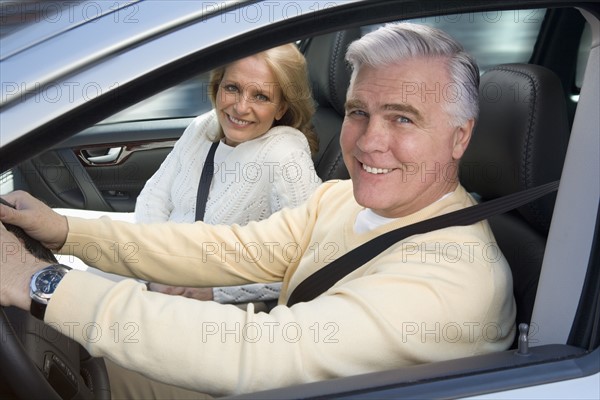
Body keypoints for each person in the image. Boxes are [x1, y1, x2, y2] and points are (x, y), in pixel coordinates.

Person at [0, 23, 515, 398]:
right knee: (72, 360)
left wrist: (42, 285)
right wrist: (64, 231)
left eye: (403, 119)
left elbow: (260, 353)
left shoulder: (454, 279)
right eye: (360, 112)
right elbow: (222, 248)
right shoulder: (341, 198)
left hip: (266, 374)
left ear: (459, 137)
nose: (369, 141)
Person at [134, 43, 321, 305]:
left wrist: (213, 291)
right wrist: (157, 268)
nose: (241, 108)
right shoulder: (203, 127)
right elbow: (153, 197)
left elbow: (310, 261)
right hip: (160, 277)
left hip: (214, 310)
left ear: (281, 108)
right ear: (217, 86)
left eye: (261, 96)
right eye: (233, 88)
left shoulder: (286, 155)